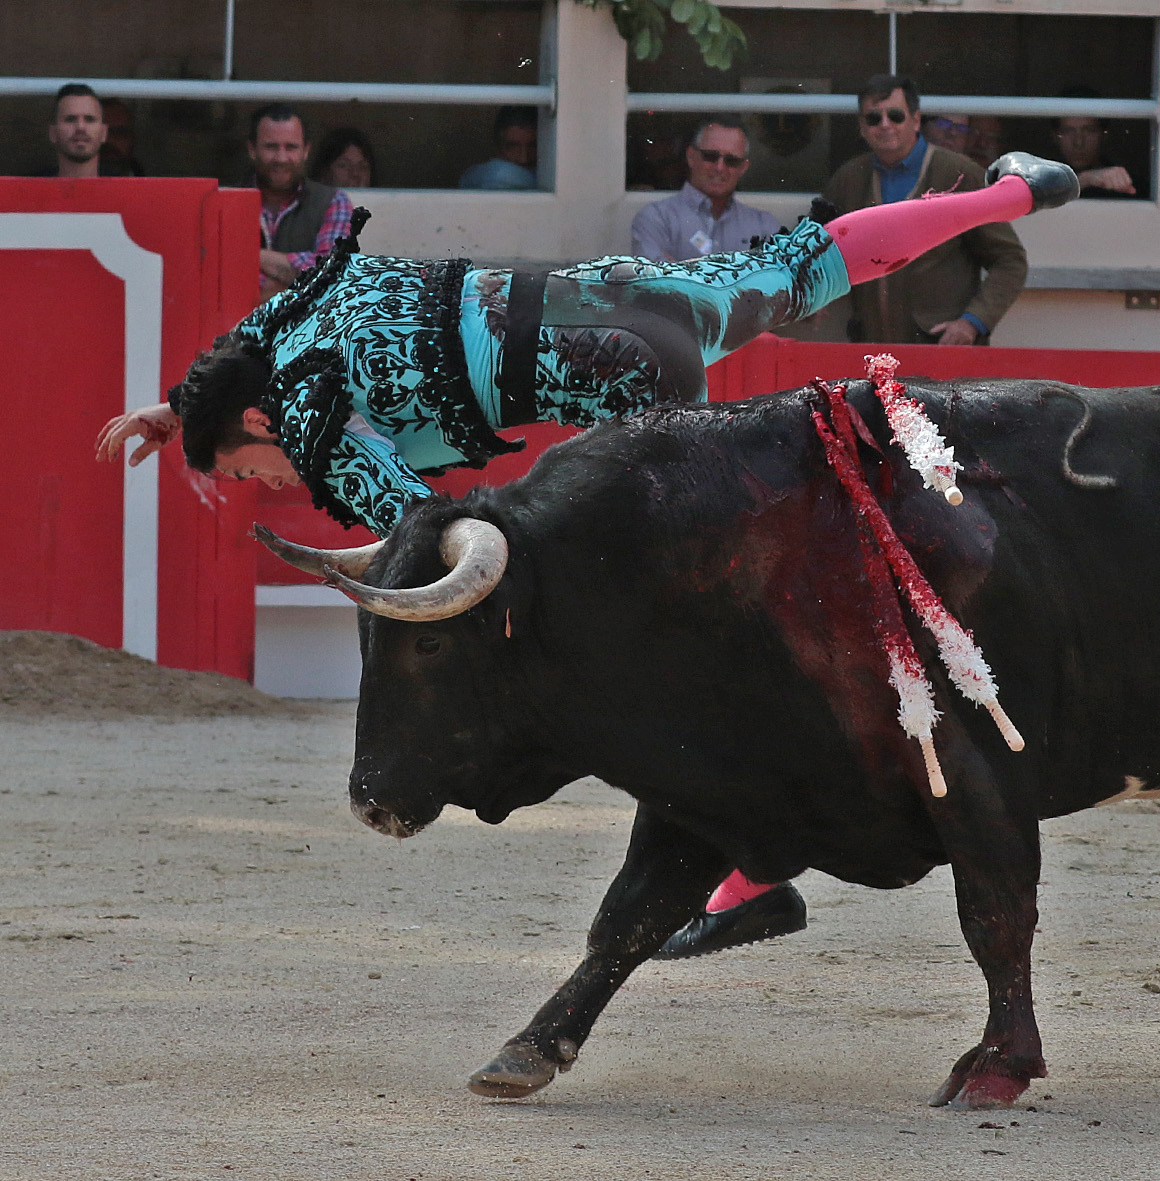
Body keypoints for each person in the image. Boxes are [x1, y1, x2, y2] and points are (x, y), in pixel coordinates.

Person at [97, 150, 1080, 959]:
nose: (267, 480)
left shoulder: (309, 420)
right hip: (632, 297)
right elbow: (256, 337)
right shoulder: (301, 319)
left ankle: (749, 875)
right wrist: (182, 407)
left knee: (696, 648)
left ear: (262, 419)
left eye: (246, 465)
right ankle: (1010, 191)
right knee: (806, 261)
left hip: (626, 389)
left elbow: (429, 556)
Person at [823, 74, 1028, 347]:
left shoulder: (959, 173)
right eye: (873, 118)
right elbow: (820, 248)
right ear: (862, 127)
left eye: (895, 116)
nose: (884, 125)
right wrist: (812, 296)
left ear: (916, 120)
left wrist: (973, 322)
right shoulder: (848, 179)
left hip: (943, 349)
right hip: (871, 350)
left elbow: (1010, 260)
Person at [630, 116, 781, 263]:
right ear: (691, 156)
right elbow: (656, 284)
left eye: (731, 161)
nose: (720, 167)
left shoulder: (763, 225)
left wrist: (681, 272)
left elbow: (778, 283)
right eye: (710, 156)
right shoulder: (656, 219)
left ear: (743, 167)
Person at [247, 103, 355, 302]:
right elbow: (210, 277)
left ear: (306, 151)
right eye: (271, 147)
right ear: (252, 149)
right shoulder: (225, 200)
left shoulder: (333, 202)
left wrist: (249, 257)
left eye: (291, 147)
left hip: (307, 332)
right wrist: (301, 280)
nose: (281, 157)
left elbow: (334, 273)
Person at [460, 106, 538, 190]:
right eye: (513, 146)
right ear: (498, 147)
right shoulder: (499, 175)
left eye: (532, 146)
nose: (524, 158)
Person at [42, 83, 108, 179]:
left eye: (89, 119)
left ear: (104, 132)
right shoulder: (30, 191)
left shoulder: (123, 191)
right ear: (53, 133)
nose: (80, 127)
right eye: (70, 119)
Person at [100, 97, 147, 177]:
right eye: (101, 132)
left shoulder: (147, 186)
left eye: (119, 132)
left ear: (132, 139)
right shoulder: (74, 182)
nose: (109, 140)